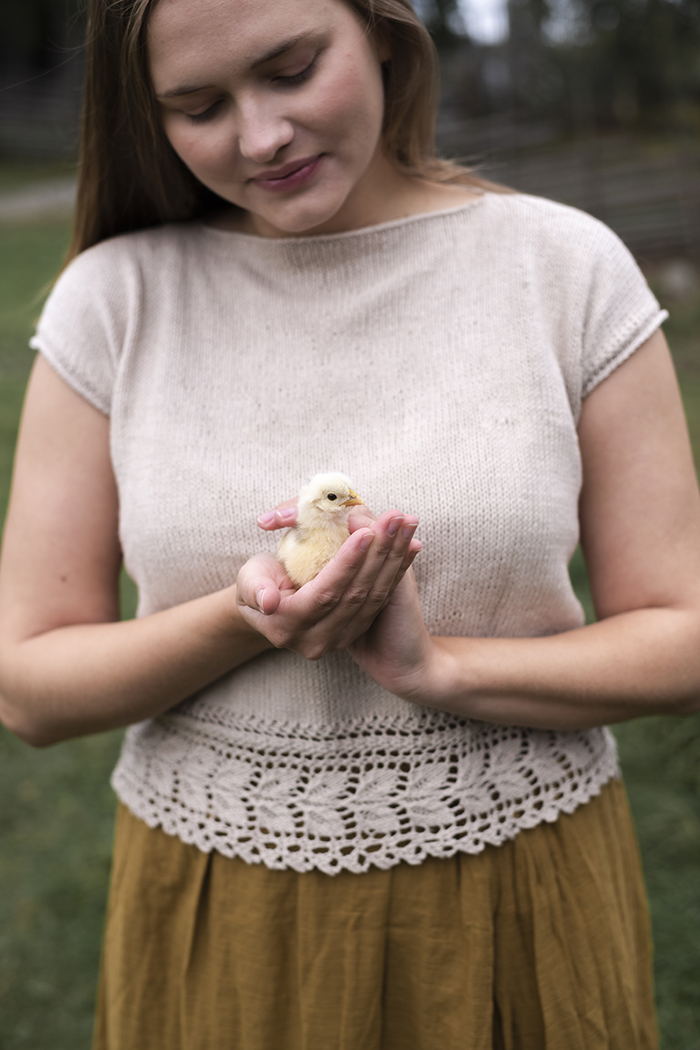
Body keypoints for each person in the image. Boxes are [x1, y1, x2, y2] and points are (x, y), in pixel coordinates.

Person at [1, 0, 699, 1044]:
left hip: (514, 892)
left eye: (291, 69)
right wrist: (246, 617)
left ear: (380, 29)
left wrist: (442, 672)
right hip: (219, 907)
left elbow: (683, 638)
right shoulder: (114, 301)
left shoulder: (561, 267)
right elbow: (27, 688)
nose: (260, 137)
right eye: (198, 106)